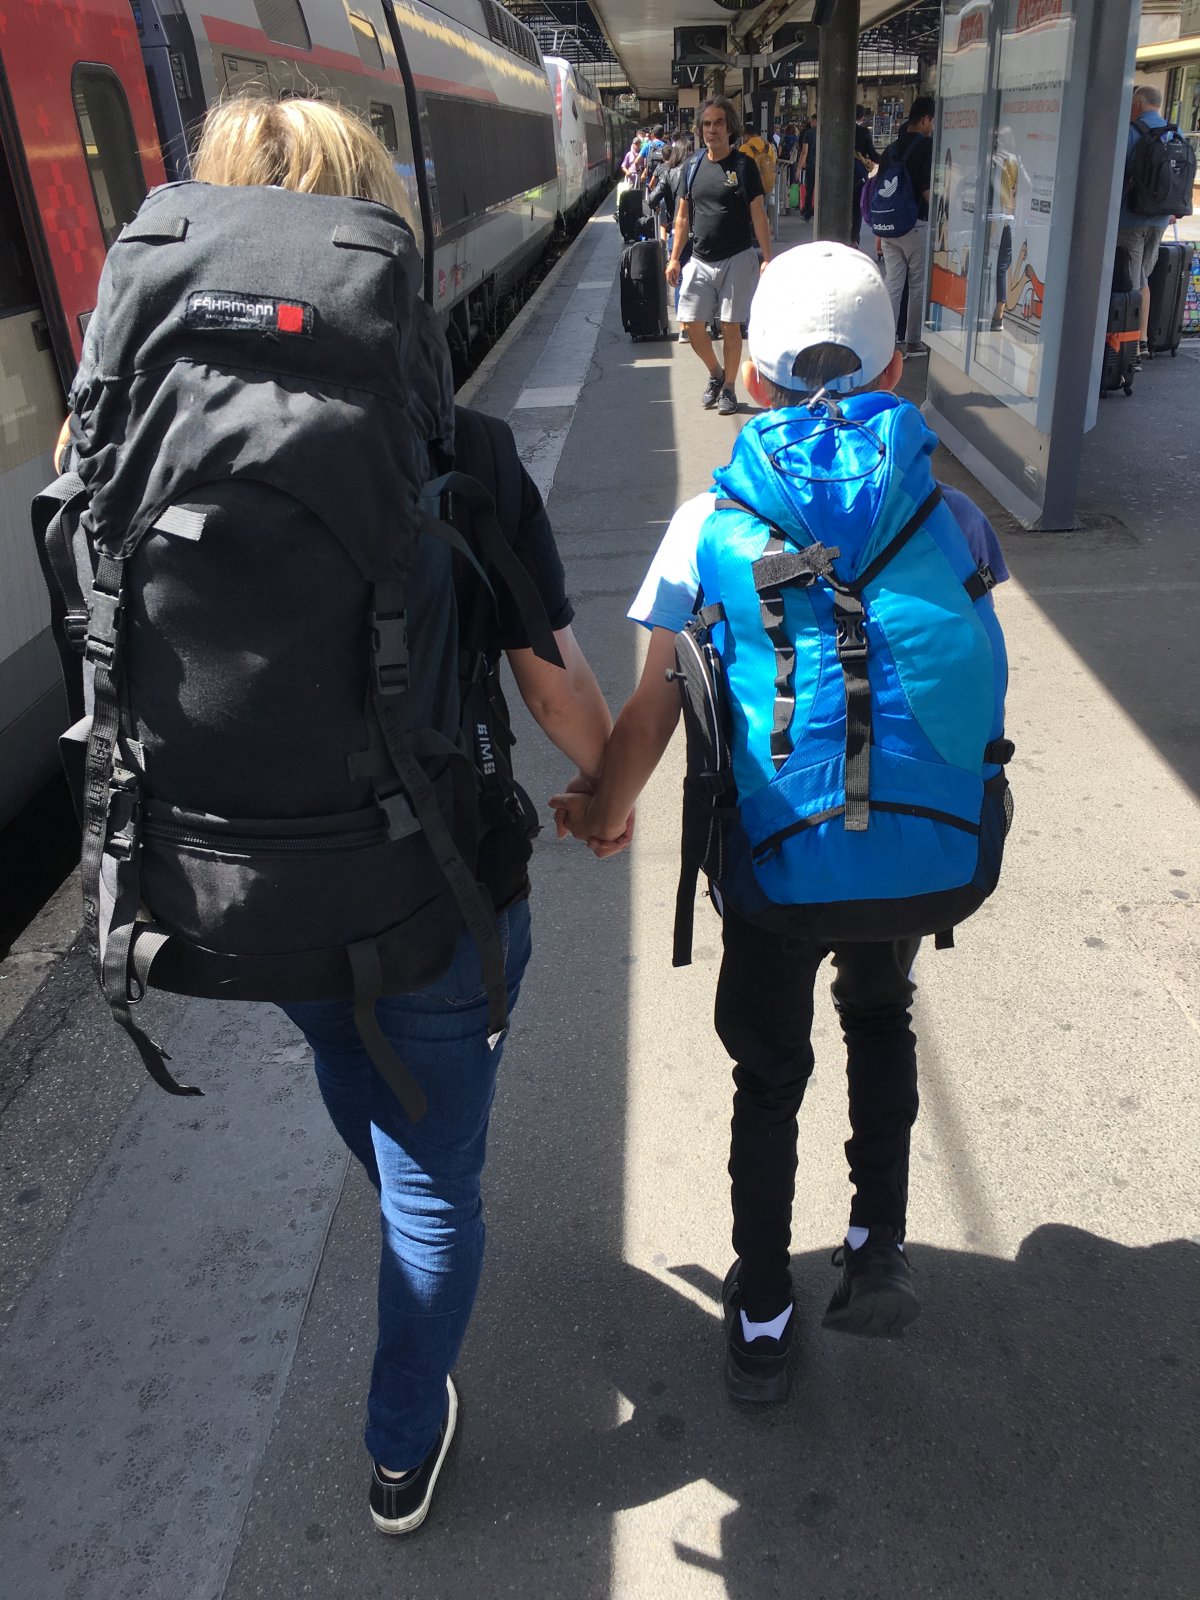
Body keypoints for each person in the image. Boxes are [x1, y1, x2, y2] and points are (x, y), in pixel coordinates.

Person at [88, 94, 618, 1535]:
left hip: (238, 892)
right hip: (428, 892)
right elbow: (558, 689)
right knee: (439, 1187)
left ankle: (399, 1189)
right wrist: (609, 791)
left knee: (348, 1050)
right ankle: (398, 1443)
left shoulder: (125, 444)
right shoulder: (461, 449)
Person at [551, 241, 1009, 1404]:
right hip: (912, 844)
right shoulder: (954, 513)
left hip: (773, 855)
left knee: (768, 1072)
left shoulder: (707, 524)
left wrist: (603, 811)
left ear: (752, 378)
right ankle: (876, 1244)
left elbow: (654, 709)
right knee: (881, 1014)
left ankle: (761, 1312)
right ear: (895, 370)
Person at [666, 95, 772, 417]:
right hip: (700, 258)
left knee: (729, 326)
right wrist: (674, 257)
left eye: (719, 123)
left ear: (730, 128)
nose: (712, 129)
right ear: (700, 130)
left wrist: (767, 257)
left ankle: (729, 388)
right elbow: (682, 217)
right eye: (707, 124)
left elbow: (758, 214)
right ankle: (716, 373)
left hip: (737, 256)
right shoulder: (692, 166)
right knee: (690, 323)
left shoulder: (743, 166)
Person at [1117, 84, 1176, 368]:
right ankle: (1140, 339)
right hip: (1160, 219)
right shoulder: (1175, 133)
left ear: (1137, 105)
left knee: (1130, 280)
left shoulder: (1130, 133)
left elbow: (1117, 176)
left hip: (1130, 218)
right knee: (1143, 278)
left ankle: (1128, 345)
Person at [878, 94, 935, 354]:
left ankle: (887, 342)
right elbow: (927, 191)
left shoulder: (891, 149)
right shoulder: (926, 147)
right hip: (916, 224)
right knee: (917, 286)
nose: (932, 127)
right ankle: (913, 340)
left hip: (889, 226)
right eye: (932, 121)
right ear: (925, 120)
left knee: (893, 283)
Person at [646, 139, 691, 339]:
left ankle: (683, 328)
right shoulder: (696, 172)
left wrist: (659, 205)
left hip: (676, 231)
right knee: (701, 276)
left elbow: (651, 199)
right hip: (700, 232)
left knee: (678, 279)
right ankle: (703, 322)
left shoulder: (668, 173)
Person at [852, 105, 881, 250]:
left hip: (837, 174)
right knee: (856, 207)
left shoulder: (837, 131)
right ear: (862, 117)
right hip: (858, 175)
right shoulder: (863, 132)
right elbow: (873, 154)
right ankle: (854, 239)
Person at [798, 115, 818, 221]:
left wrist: (799, 168)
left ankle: (807, 214)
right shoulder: (826, 133)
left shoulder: (809, 133)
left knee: (809, 189)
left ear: (814, 121)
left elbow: (804, 152)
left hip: (811, 165)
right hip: (823, 166)